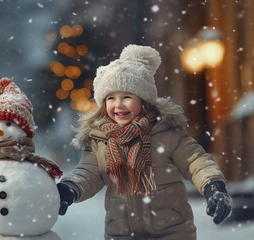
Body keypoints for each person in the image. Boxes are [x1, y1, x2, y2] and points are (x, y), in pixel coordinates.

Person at [57, 45, 232, 240]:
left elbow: (195, 161)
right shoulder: (100, 139)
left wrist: (213, 185)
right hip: (121, 233)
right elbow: (89, 172)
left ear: (143, 100)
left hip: (171, 231)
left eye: (127, 97)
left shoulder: (166, 131)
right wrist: (71, 188)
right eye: (111, 98)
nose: (118, 104)